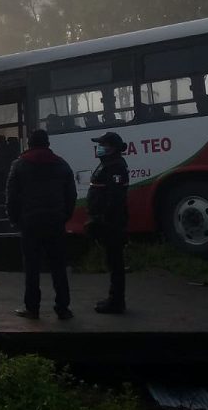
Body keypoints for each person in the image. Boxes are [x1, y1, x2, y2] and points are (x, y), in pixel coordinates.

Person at [6, 129, 77, 320]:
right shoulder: (61, 165)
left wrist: (15, 220)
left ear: (29, 144)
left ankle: (32, 308)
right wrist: (64, 216)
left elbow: (11, 197)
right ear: (48, 143)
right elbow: (71, 195)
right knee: (58, 267)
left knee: (32, 267)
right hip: (55, 222)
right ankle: (63, 308)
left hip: (30, 223)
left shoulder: (19, 165)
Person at [86, 131, 130, 314]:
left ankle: (116, 302)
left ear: (111, 148)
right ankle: (114, 299)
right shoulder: (108, 164)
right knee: (112, 262)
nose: (99, 148)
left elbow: (115, 198)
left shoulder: (116, 167)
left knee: (115, 263)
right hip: (108, 222)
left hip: (112, 223)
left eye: (102, 145)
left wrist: (102, 219)